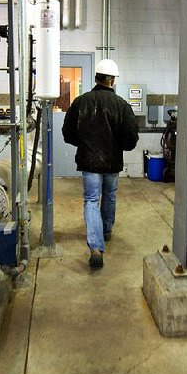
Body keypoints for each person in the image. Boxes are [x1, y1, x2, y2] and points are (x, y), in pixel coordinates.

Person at [62, 59, 139, 270]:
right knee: (110, 196)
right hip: (113, 163)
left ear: (96, 78)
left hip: (89, 163)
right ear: (112, 80)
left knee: (91, 200)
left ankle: (96, 247)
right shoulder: (122, 105)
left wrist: (85, 144)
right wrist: (117, 146)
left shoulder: (80, 102)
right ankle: (105, 231)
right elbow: (131, 139)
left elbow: (67, 133)